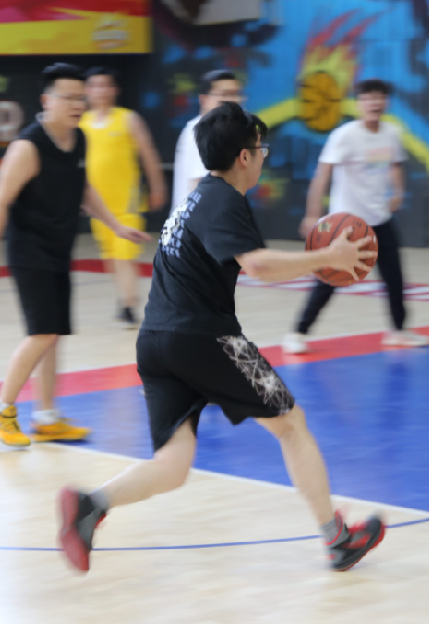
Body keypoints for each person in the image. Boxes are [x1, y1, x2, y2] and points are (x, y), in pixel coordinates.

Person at [58, 102, 385, 574]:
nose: (264, 156)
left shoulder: (195, 198)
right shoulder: (224, 200)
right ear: (244, 157)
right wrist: (326, 257)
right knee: (292, 425)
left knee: (173, 464)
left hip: (155, 341)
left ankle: (90, 504)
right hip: (205, 337)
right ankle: (337, 540)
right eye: (261, 148)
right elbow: (259, 265)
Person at [0, 63, 150, 447]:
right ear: (46, 100)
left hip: (58, 249)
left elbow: (83, 188)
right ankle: (0, 410)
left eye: (80, 98)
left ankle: (47, 417)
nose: (76, 104)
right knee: (42, 333)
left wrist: (116, 225)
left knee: (53, 336)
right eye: (67, 98)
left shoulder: (79, 139)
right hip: (29, 251)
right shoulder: (28, 147)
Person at [282, 79, 429, 354]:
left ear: (386, 102)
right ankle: (297, 333)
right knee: (330, 279)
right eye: (368, 98)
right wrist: (312, 215)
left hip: (380, 218)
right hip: (348, 224)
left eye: (379, 98)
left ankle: (398, 331)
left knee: (395, 278)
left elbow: (396, 164)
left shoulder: (392, 133)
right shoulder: (344, 136)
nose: (374, 103)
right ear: (358, 104)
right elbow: (322, 175)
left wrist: (398, 191)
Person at [80, 67, 166, 329]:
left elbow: (148, 154)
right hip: (99, 208)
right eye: (95, 85)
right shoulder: (81, 123)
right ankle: (124, 298)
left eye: (106, 85)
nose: (100, 91)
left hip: (128, 206)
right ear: (87, 91)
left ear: (115, 90)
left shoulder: (128, 119)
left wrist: (157, 186)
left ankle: (129, 306)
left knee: (124, 255)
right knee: (110, 257)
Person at [171, 69, 245, 212]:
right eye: (224, 95)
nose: (232, 101)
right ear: (204, 100)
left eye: (235, 94)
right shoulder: (200, 132)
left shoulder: (218, 132)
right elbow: (200, 189)